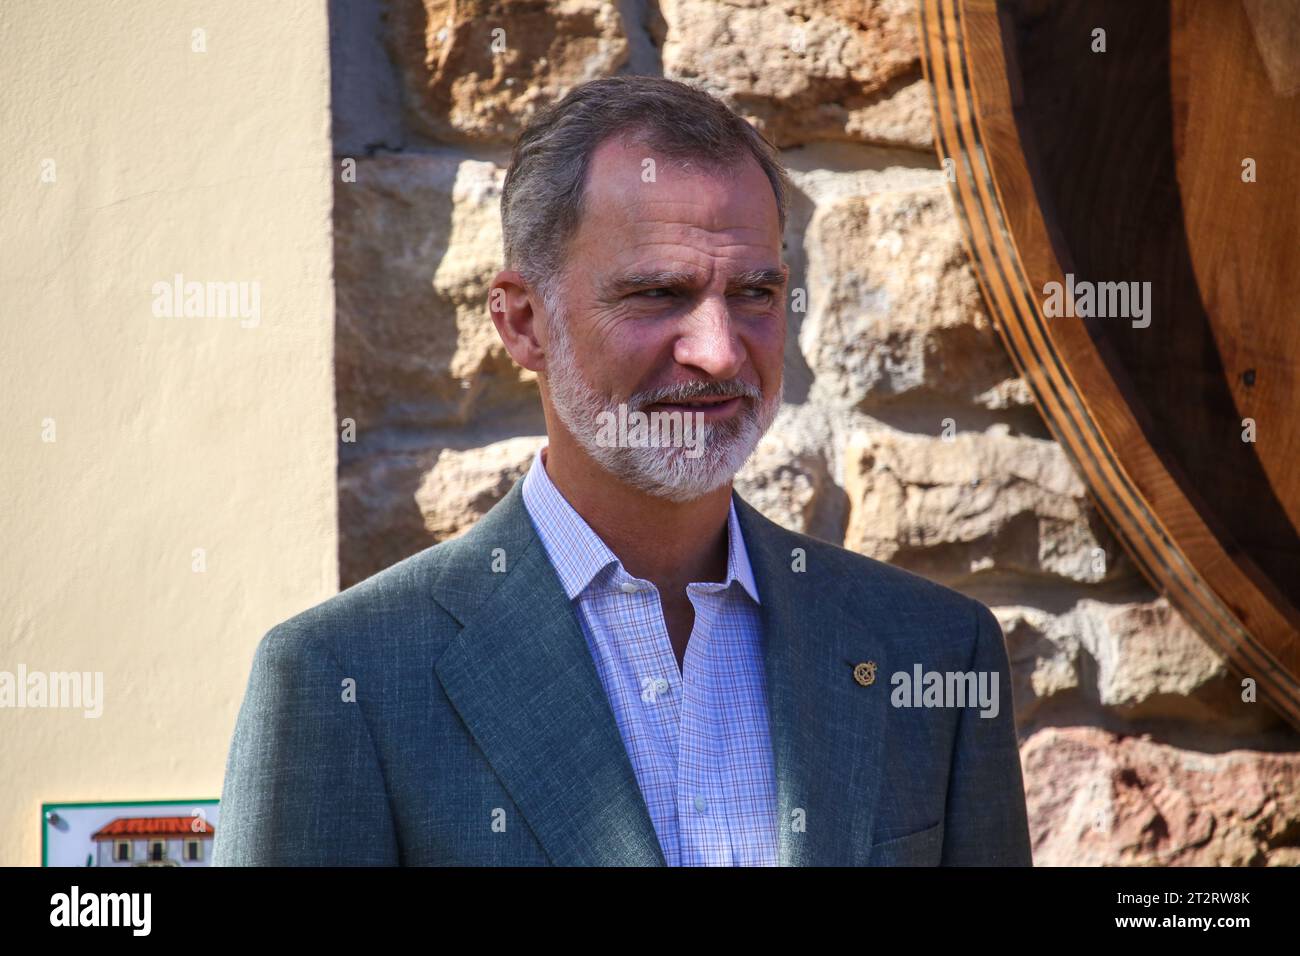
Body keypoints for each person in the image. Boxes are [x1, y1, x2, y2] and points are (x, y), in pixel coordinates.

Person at [214, 75, 1032, 866]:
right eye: (658, 294)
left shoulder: (932, 652)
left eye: (754, 292)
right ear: (524, 322)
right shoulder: (345, 679)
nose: (716, 351)